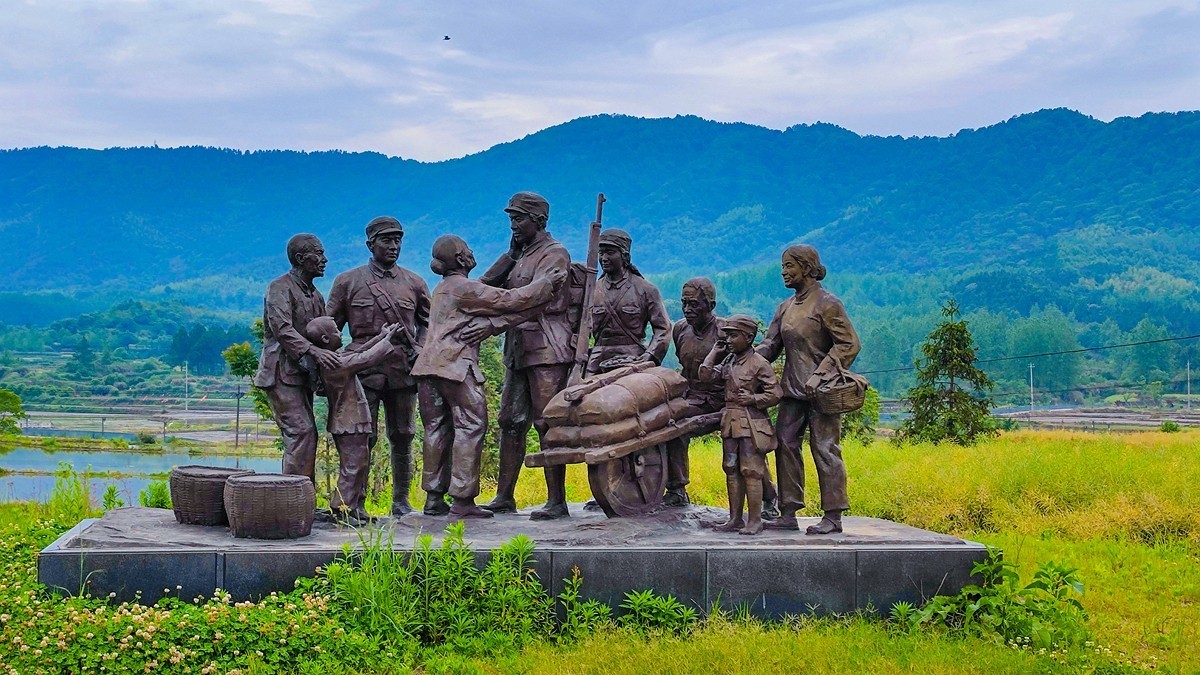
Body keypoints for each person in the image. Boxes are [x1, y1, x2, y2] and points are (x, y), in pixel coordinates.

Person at [411, 235, 566, 518]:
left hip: (427, 369)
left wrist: (509, 256)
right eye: (468, 250)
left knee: (436, 429)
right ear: (461, 258)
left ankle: (434, 498)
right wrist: (547, 284)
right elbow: (511, 299)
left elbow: (485, 287)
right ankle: (462, 500)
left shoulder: (446, 287)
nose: (472, 252)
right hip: (455, 367)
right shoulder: (464, 288)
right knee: (470, 426)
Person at [466, 192, 575, 520]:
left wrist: (494, 324)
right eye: (510, 219)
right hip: (518, 351)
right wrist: (508, 256)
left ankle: (557, 500)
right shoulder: (519, 254)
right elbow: (481, 289)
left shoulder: (555, 255)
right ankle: (504, 496)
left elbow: (537, 301)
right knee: (510, 422)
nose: (512, 225)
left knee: (547, 423)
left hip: (547, 350)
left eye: (519, 219)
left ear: (539, 221)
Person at [327, 216, 431, 517]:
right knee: (362, 438)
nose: (394, 246)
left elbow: (429, 322)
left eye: (398, 240)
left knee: (404, 434)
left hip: (402, 370)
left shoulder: (414, 282)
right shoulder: (348, 281)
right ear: (370, 244)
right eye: (387, 240)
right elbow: (327, 327)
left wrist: (420, 348)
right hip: (364, 372)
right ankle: (353, 503)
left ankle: (401, 501)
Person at [757, 245, 861, 535]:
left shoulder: (827, 303)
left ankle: (833, 515)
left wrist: (821, 374)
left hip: (822, 391)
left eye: (789, 266)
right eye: (783, 265)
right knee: (784, 443)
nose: (783, 272)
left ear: (806, 267)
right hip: (792, 389)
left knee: (825, 448)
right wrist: (743, 357)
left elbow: (849, 344)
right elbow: (771, 345)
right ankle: (788, 510)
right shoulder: (785, 307)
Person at [666, 278, 781, 514]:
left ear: (711, 304)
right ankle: (677, 489)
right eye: (684, 304)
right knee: (670, 424)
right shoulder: (679, 329)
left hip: (727, 401)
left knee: (749, 449)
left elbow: (745, 367)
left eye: (694, 304)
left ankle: (770, 499)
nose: (688, 310)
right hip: (694, 397)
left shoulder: (726, 331)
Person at [302, 317, 408, 524]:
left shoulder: (336, 358)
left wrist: (380, 336)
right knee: (353, 466)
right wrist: (387, 340)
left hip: (352, 421)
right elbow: (366, 358)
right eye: (336, 331)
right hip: (349, 422)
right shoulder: (334, 364)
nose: (341, 334)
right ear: (325, 338)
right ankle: (342, 509)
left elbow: (356, 353)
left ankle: (355, 507)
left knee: (360, 464)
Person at [253, 233, 338, 482]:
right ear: (301, 258)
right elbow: (282, 329)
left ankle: (302, 497)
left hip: (302, 374)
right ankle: (293, 498)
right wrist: (315, 352)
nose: (324, 259)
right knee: (301, 432)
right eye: (319, 254)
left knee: (308, 434)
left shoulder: (316, 296)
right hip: (280, 373)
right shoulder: (279, 288)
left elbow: (325, 334)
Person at [699, 315, 782, 535]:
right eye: (727, 335)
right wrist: (714, 353)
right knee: (731, 468)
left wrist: (754, 399)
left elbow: (775, 393)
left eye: (733, 335)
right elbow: (706, 375)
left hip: (751, 423)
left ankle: (754, 520)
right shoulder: (729, 361)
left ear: (748, 337)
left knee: (751, 470)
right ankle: (735, 518)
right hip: (731, 421)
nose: (729, 340)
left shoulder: (758, 363)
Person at [582, 229, 671, 377]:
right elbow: (580, 329)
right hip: (597, 361)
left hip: (633, 359)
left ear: (625, 256)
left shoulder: (646, 289)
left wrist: (650, 355)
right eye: (601, 252)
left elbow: (663, 329)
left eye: (610, 252)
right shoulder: (592, 290)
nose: (604, 258)